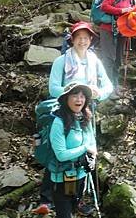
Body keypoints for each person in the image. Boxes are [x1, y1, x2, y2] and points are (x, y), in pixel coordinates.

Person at [35, 21, 113, 215]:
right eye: (79, 37)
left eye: (86, 38)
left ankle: (77, 197)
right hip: (63, 110)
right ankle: (47, 197)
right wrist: (74, 91)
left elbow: (109, 86)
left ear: (91, 40)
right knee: (59, 152)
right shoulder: (61, 61)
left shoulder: (94, 60)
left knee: (85, 154)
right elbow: (53, 89)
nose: (83, 41)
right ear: (72, 39)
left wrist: (97, 93)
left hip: (86, 111)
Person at [49, 82, 98, 218]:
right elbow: (61, 155)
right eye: (75, 95)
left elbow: (92, 141)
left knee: (75, 201)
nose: (79, 99)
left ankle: (77, 203)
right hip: (62, 178)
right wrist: (84, 148)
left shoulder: (85, 118)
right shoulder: (59, 123)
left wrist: (92, 156)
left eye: (82, 96)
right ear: (66, 99)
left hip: (81, 173)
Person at [99, 0, 136, 96]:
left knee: (118, 60)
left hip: (122, 32)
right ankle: (107, 89)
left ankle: (115, 86)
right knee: (108, 59)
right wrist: (122, 11)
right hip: (108, 30)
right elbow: (104, 6)